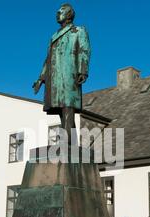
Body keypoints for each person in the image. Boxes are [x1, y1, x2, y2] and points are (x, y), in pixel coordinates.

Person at [33, 3, 91, 141]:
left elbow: (84, 50)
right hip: (55, 78)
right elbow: (48, 59)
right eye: (57, 11)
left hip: (69, 75)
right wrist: (40, 79)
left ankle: (66, 143)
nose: (57, 13)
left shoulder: (78, 30)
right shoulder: (53, 36)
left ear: (69, 14)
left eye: (61, 11)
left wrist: (83, 71)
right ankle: (71, 142)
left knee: (67, 107)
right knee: (61, 110)